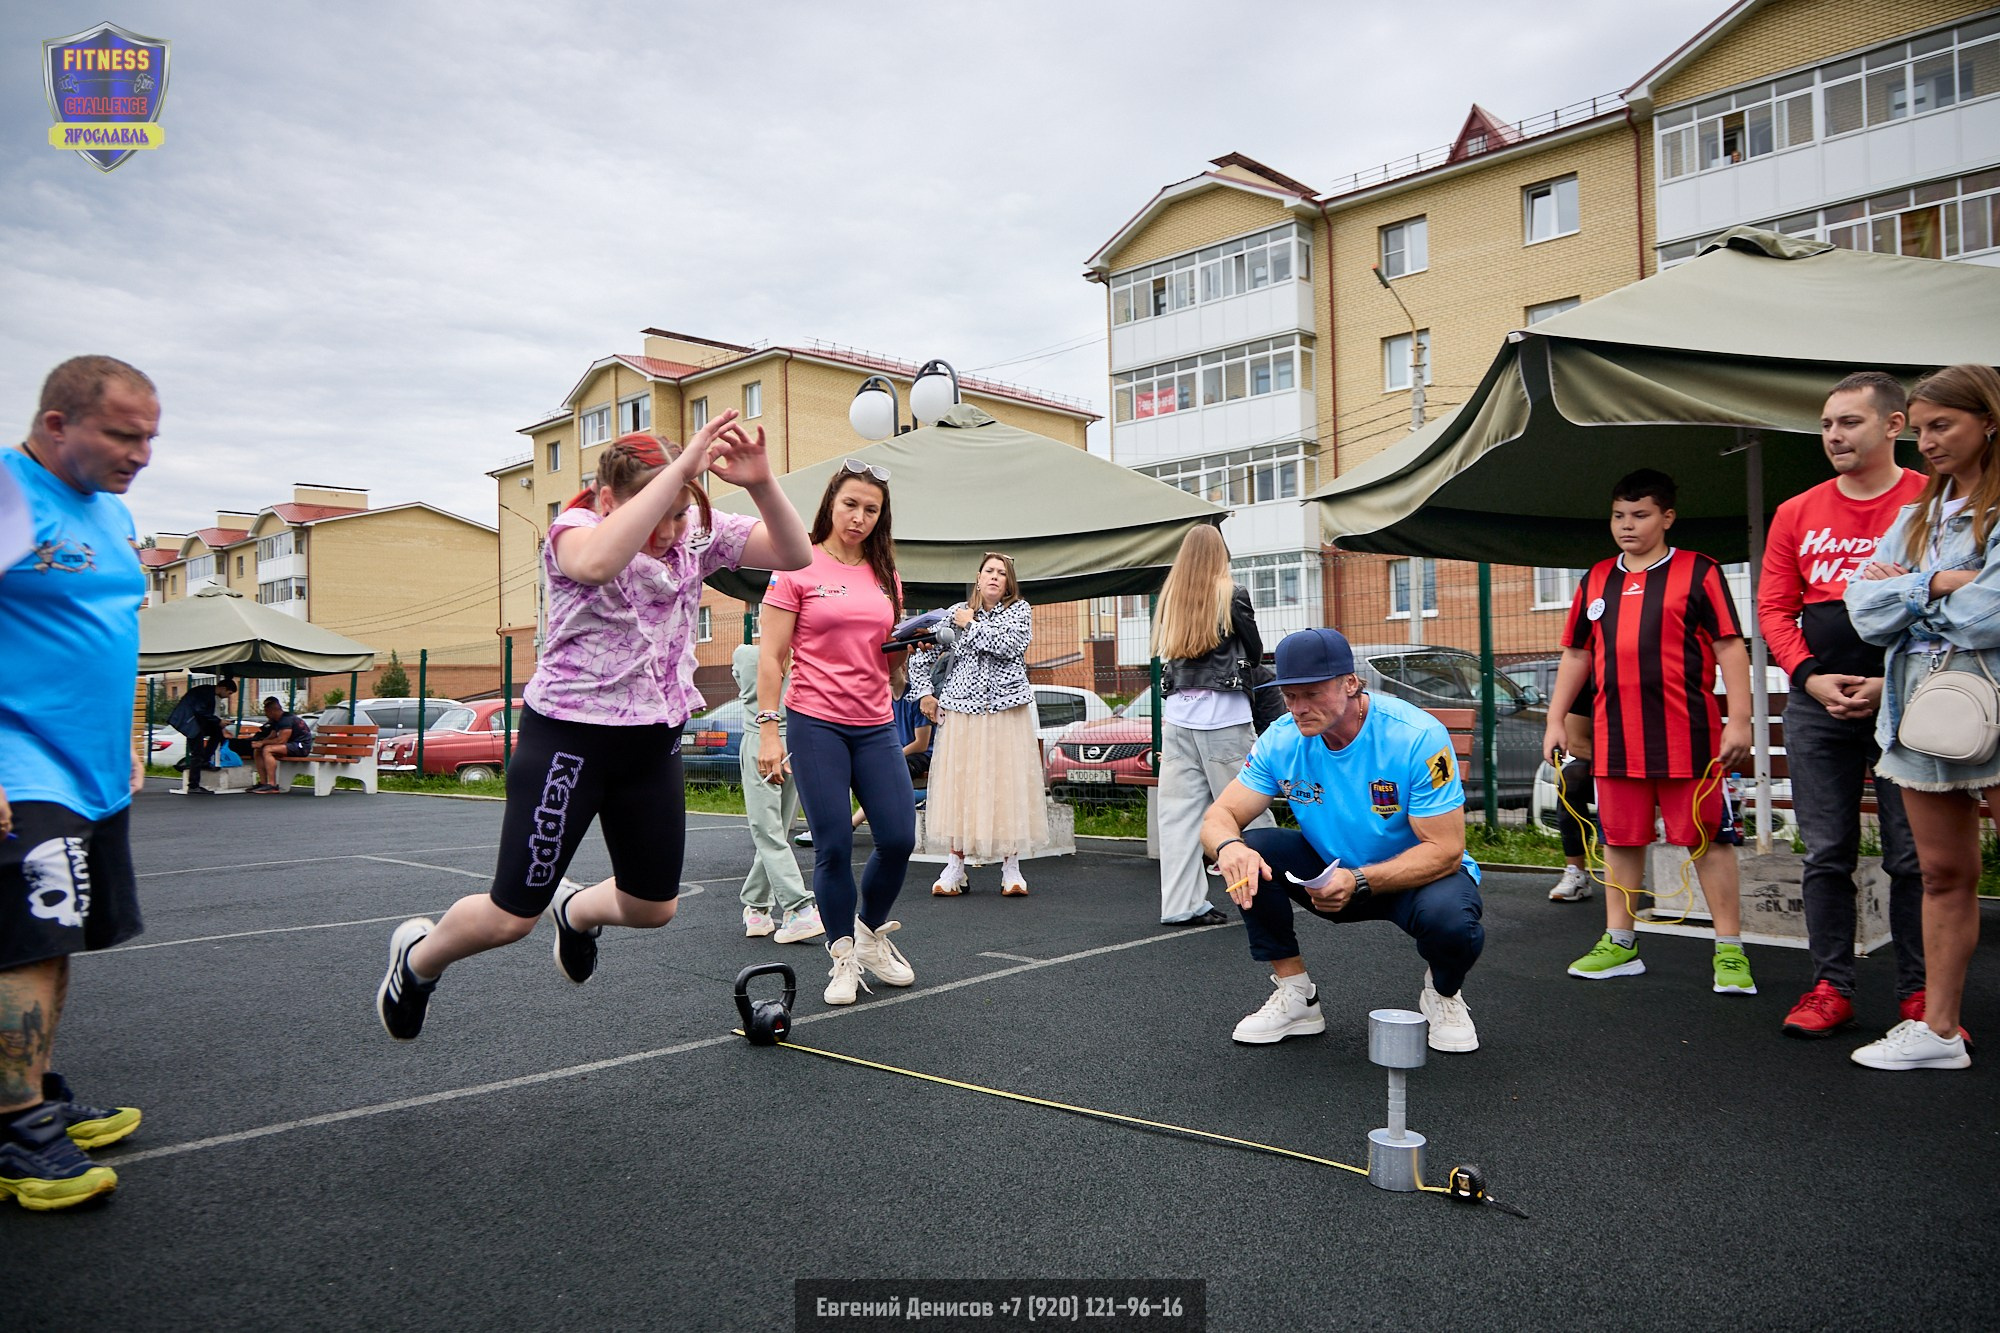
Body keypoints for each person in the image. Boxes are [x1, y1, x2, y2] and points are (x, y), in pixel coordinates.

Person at [376, 413, 809, 1041]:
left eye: (680, 515)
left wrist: (763, 483)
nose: (667, 532)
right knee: (511, 917)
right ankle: (416, 961)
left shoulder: (694, 536)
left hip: (651, 744)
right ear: (609, 499)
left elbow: (796, 554)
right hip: (570, 743)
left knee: (652, 907)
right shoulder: (574, 530)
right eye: (657, 513)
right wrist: (680, 474)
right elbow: (599, 563)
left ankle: (577, 911)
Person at [0, 356, 156, 1210]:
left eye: (149, 438)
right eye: (122, 434)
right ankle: (17, 1131)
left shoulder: (111, 509)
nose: (140, 453)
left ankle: (36, 1091)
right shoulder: (9, 491)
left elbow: (115, 627)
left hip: (89, 764)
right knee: (25, 941)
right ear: (58, 423)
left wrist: (129, 736)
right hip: (19, 754)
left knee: (54, 935)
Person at [1201, 628, 1484, 1052]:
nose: (1298, 708)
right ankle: (1298, 996)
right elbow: (1217, 817)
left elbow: (1445, 850)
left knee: (1453, 923)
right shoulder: (1282, 738)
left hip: (1415, 877)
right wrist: (1229, 847)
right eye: (1290, 696)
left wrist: (1360, 879)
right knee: (1253, 852)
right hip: (1330, 872)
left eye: (1311, 693)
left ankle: (1443, 995)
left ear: (1350, 684)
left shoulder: (1416, 737)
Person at [1541, 468, 1757, 995]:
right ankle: (1620, 942)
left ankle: (1730, 951)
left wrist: (1741, 720)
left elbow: (1730, 645)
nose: (1627, 525)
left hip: (1691, 737)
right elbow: (1576, 653)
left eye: (1639, 515)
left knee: (1708, 840)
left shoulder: (1699, 571)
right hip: (1615, 740)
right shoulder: (1595, 579)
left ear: (1667, 517)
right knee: (1620, 837)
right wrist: (1554, 718)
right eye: (1619, 515)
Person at [1759, 372, 1928, 1039]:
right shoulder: (1796, 511)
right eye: (1827, 423)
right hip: (1815, 700)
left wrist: (1896, 680)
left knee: (1912, 857)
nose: (1834, 434)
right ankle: (1831, 986)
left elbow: (1953, 601)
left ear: (1894, 425)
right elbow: (1773, 608)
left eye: (1849, 422)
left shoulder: (1932, 502)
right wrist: (1809, 676)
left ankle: (1922, 996)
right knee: (1826, 850)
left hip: (1909, 696)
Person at [1845, 363, 2000, 1071]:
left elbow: (1991, 613)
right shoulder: (1915, 517)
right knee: (1941, 872)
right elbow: (1862, 610)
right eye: (1923, 425)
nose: (1928, 440)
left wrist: (1903, 592)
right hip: (1918, 714)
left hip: (1992, 705)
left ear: (1989, 421)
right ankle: (1939, 1031)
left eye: (1945, 425)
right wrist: (1937, 581)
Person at [757, 460, 917, 1006]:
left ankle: (871, 936)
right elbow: (773, 658)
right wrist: (768, 732)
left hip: (874, 722)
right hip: (815, 721)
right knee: (834, 845)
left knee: (898, 838)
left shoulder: (885, 573)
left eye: (871, 509)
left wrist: (904, 658)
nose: (859, 517)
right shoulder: (796, 564)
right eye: (851, 504)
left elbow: (890, 667)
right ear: (831, 503)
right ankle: (842, 953)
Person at [1152, 524, 1272, 926]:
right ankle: (1268, 895)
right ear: (1220, 553)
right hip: (1224, 718)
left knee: (1178, 817)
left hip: (1178, 718)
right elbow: (1254, 653)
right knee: (1249, 808)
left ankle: (1181, 905)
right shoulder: (1232, 594)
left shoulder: (1171, 597)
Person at [916, 553, 1047, 896]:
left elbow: (1009, 645)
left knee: (1008, 784)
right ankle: (955, 867)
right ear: (978, 577)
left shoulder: (1019, 610)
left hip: (1007, 711)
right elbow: (921, 653)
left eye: (1001, 573)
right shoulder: (955, 612)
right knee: (962, 784)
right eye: (989, 571)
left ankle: (1011, 868)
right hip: (962, 712)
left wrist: (969, 625)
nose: (994, 577)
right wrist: (924, 695)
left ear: (1009, 582)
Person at [733, 641, 823, 944]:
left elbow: (744, 682)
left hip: (761, 740)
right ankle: (783, 905)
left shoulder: (745, 654)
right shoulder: (803, 654)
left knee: (770, 831)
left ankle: (765, 906)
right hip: (792, 743)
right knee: (774, 831)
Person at [1547, 677, 1599, 902]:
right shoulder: (1588, 677)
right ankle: (1575, 872)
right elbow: (1576, 742)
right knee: (1571, 778)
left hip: (1664, 761)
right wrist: (1623, 764)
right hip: (1615, 760)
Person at [169, 676, 237, 794]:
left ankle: (204, 761)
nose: (228, 696)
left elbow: (203, 713)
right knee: (197, 753)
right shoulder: (206, 693)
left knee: (217, 733)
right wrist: (218, 721)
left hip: (194, 721)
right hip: (189, 722)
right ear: (223, 688)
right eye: (229, 693)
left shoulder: (208, 692)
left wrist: (218, 723)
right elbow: (200, 710)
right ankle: (193, 785)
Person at [246, 696, 312, 794]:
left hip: (301, 747)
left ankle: (272, 785)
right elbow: (272, 736)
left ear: (272, 711)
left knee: (268, 749)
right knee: (258, 750)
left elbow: (281, 740)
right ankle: (263, 783)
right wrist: (259, 743)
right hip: (290, 746)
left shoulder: (286, 720)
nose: (266, 715)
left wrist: (263, 743)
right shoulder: (276, 721)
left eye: (266, 712)